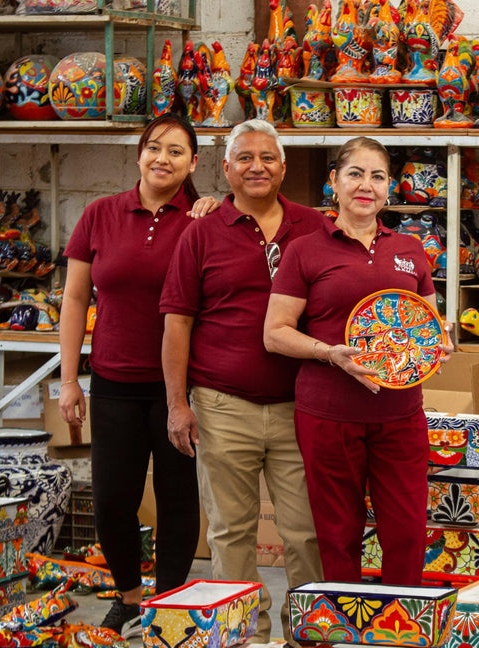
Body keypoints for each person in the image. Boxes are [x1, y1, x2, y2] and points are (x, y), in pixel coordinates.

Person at [160, 119, 328, 642]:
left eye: (268, 158)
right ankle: (244, 634)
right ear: (226, 168)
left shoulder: (315, 228)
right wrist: (178, 405)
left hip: (301, 406)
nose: (257, 166)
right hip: (221, 406)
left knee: (305, 532)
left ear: (283, 167)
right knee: (231, 533)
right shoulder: (201, 232)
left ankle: (308, 633)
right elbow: (177, 323)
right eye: (245, 158)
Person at [264, 136, 453, 585]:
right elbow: (274, 333)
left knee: (407, 532)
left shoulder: (409, 249)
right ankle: (341, 629)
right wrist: (329, 353)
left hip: (400, 414)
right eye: (355, 174)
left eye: (377, 176)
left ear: (390, 187)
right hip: (329, 416)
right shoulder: (305, 250)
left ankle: (399, 627)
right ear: (334, 182)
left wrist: (437, 347)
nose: (365, 186)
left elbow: (429, 321)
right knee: (337, 535)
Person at [59, 113, 218, 637]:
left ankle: (168, 602)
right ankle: (128, 596)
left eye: (176, 151)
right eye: (154, 147)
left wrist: (217, 213)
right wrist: (68, 379)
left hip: (180, 387)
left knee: (177, 498)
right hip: (113, 382)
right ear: (139, 154)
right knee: (111, 498)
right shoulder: (100, 214)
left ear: (193, 163)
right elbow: (76, 298)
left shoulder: (202, 221)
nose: (162, 159)